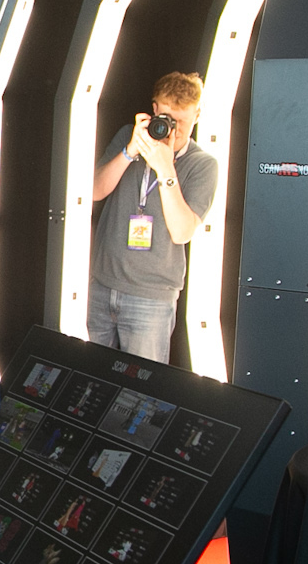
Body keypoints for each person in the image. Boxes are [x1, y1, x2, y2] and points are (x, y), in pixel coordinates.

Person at [88, 71, 217, 362]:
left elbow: (182, 232)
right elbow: (95, 191)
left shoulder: (202, 164)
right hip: (102, 283)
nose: (175, 129)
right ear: (155, 109)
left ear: (197, 115)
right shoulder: (128, 136)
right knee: (88, 375)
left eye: (183, 121)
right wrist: (129, 152)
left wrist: (166, 168)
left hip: (152, 297)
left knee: (141, 383)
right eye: (168, 118)